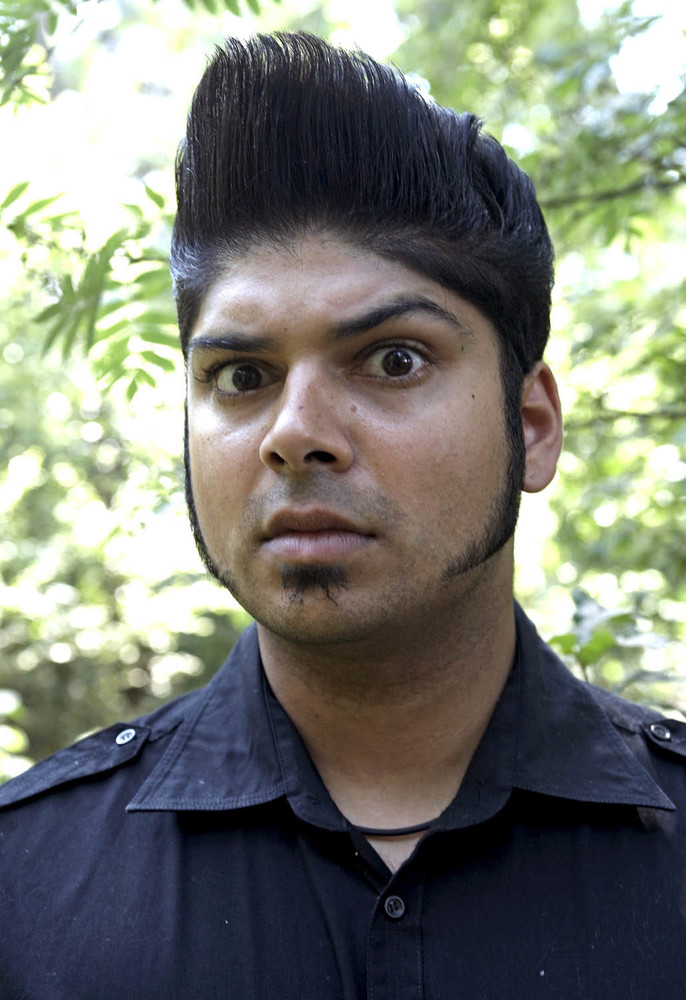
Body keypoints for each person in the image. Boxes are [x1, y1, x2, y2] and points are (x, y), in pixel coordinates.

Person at [1, 31, 685, 1000]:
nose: (295, 433)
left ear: (530, 426)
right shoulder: (24, 886)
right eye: (242, 376)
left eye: (392, 360)